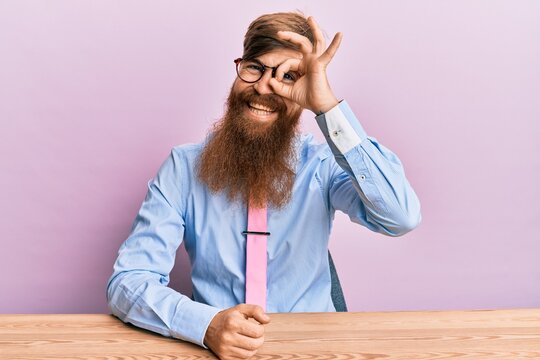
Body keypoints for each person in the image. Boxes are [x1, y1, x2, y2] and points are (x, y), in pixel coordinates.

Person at [107, 12, 421, 360]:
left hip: (314, 351)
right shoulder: (183, 168)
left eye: (288, 76)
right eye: (255, 67)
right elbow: (129, 282)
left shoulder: (323, 166)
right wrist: (206, 325)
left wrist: (327, 107)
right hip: (216, 352)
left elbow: (400, 216)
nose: (263, 88)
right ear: (239, 67)